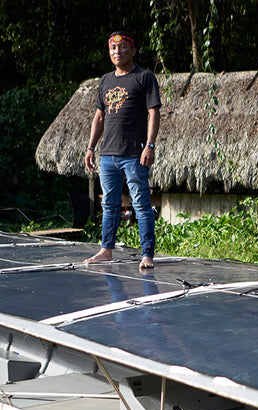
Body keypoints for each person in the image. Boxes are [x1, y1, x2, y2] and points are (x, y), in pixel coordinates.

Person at [83, 31, 161, 270]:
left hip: (134, 154)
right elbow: (99, 117)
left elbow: (154, 112)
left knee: (141, 204)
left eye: (122, 47)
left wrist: (149, 145)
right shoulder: (105, 80)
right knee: (109, 204)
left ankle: (147, 253)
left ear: (133, 50)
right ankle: (106, 249)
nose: (117, 52)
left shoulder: (144, 77)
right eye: (112, 49)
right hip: (108, 154)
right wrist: (90, 147)